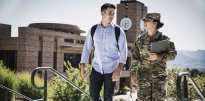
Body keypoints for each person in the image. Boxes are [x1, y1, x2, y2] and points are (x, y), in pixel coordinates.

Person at [80, 3, 127, 101]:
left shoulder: (118, 31)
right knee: (93, 95)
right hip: (96, 68)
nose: (112, 16)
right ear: (102, 13)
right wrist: (83, 67)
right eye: (110, 13)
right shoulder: (93, 30)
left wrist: (119, 69)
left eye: (113, 13)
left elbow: (123, 51)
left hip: (112, 70)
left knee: (108, 98)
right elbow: (86, 49)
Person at [130, 12, 177, 101]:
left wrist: (158, 57)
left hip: (159, 79)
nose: (144, 22)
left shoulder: (165, 39)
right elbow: (135, 57)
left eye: (147, 20)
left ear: (155, 23)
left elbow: (173, 55)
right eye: (144, 20)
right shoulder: (139, 40)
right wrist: (133, 74)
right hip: (143, 79)